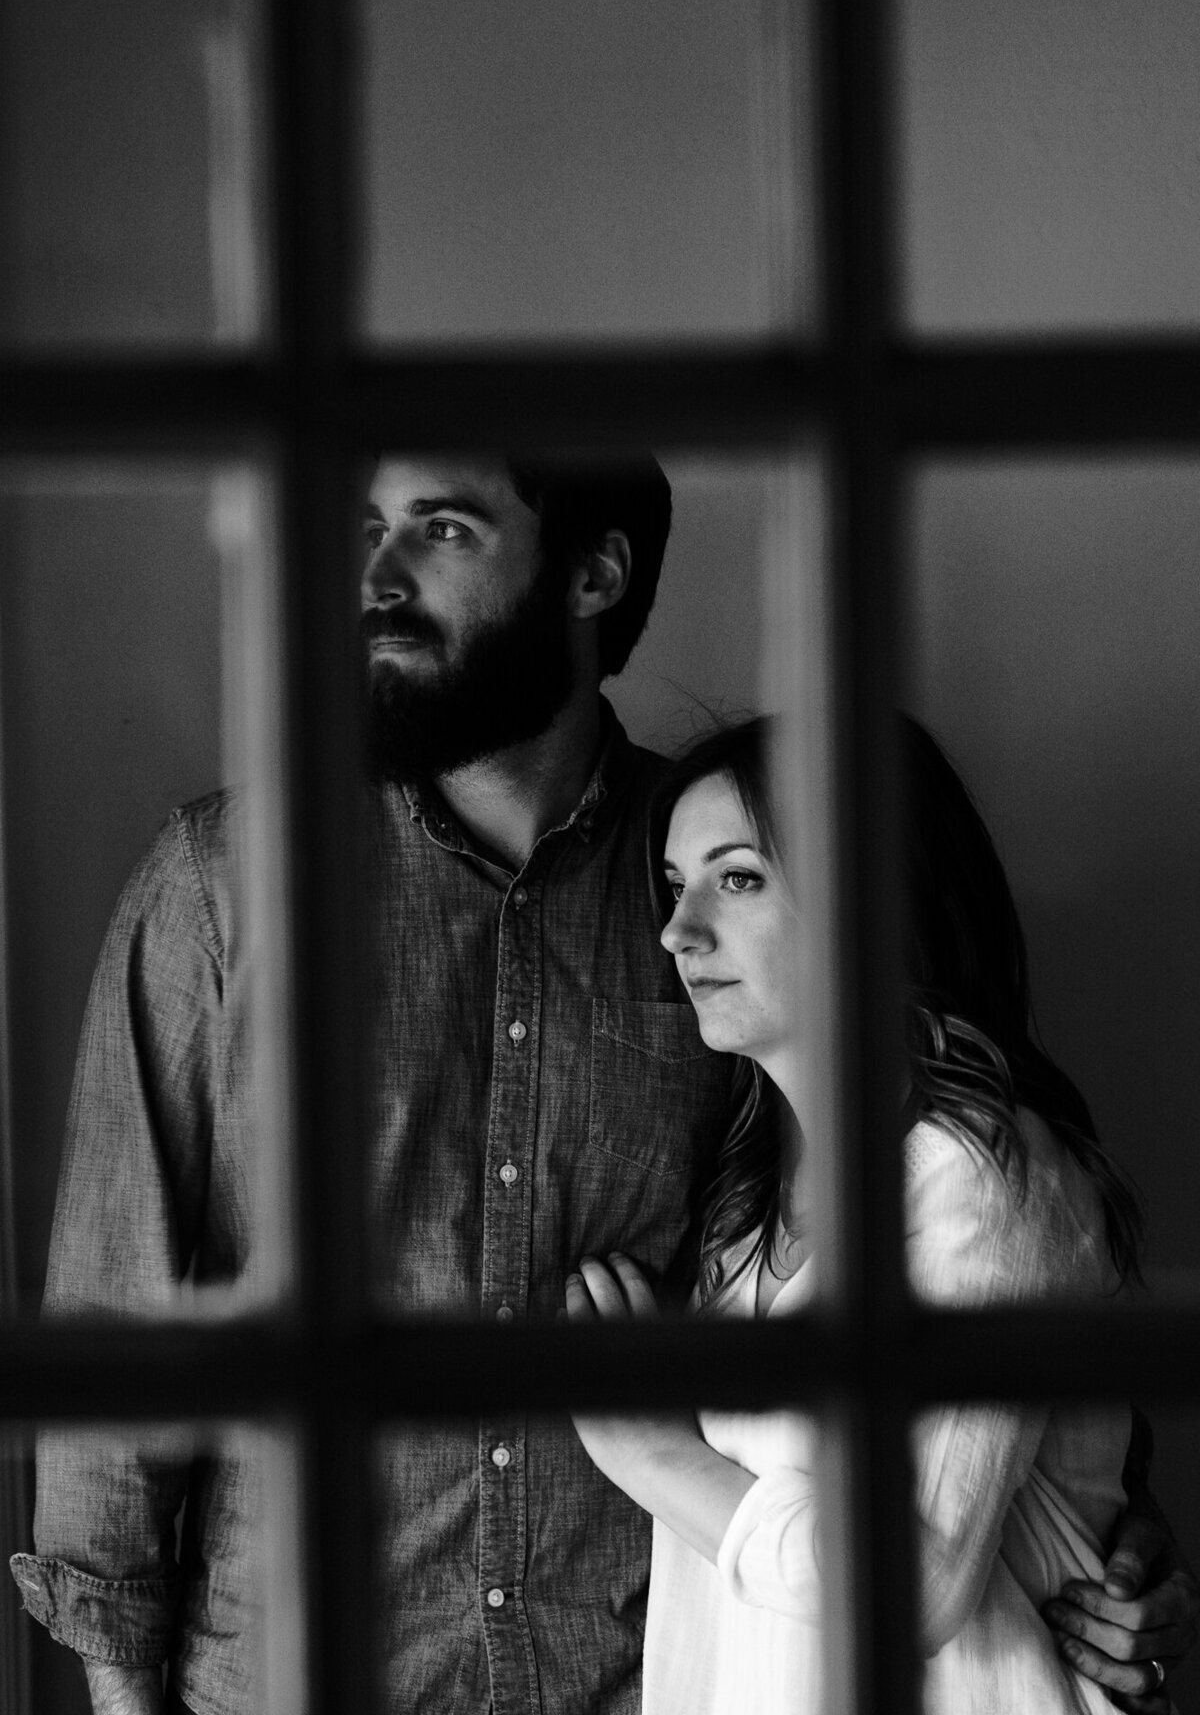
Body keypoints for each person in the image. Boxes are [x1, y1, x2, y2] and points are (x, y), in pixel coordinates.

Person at [9, 463, 1194, 1715]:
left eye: (443, 527)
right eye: (364, 529)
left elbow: (955, 1292)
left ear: (594, 573)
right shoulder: (221, 889)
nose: (375, 576)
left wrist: (1098, 1542)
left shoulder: (739, 887)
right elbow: (118, 1339)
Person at [567, 714, 1193, 1713]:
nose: (677, 932)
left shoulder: (980, 1171)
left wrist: (644, 1447)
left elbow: (917, 1580)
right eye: (676, 885)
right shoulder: (740, 1211)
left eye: (737, 877)